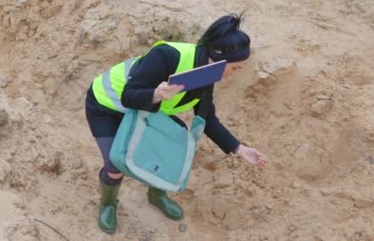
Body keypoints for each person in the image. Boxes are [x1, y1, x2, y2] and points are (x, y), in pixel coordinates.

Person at [85, 13, 268, 234]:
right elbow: (128, 96)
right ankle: (108, 204)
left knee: (175, 141)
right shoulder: (167, 56)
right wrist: (155, 94)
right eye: (235, 68)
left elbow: (207, 119)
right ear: (220, 59)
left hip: (142, 110)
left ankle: (156, 194)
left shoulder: (205, 75)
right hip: (107, 105)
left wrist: (239, 149)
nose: (235, 74)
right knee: (115, 163)